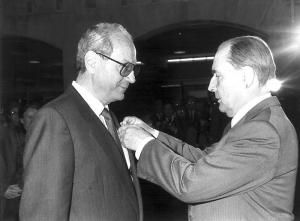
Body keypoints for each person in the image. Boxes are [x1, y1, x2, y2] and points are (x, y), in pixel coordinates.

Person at [118, 36, 298, 220]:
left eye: (218, 76)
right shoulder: (253, 123)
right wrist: (152, 134)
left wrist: (143, 144)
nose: (211, 86)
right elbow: (203, 160)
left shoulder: (263, 131)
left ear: (247, 77)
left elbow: (191, 184)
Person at [20, 22, 143, 221]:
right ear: (92, 62)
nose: (132, 79)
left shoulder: (109, 118)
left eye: (134, 69)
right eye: (125, 67)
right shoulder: (55, 119)